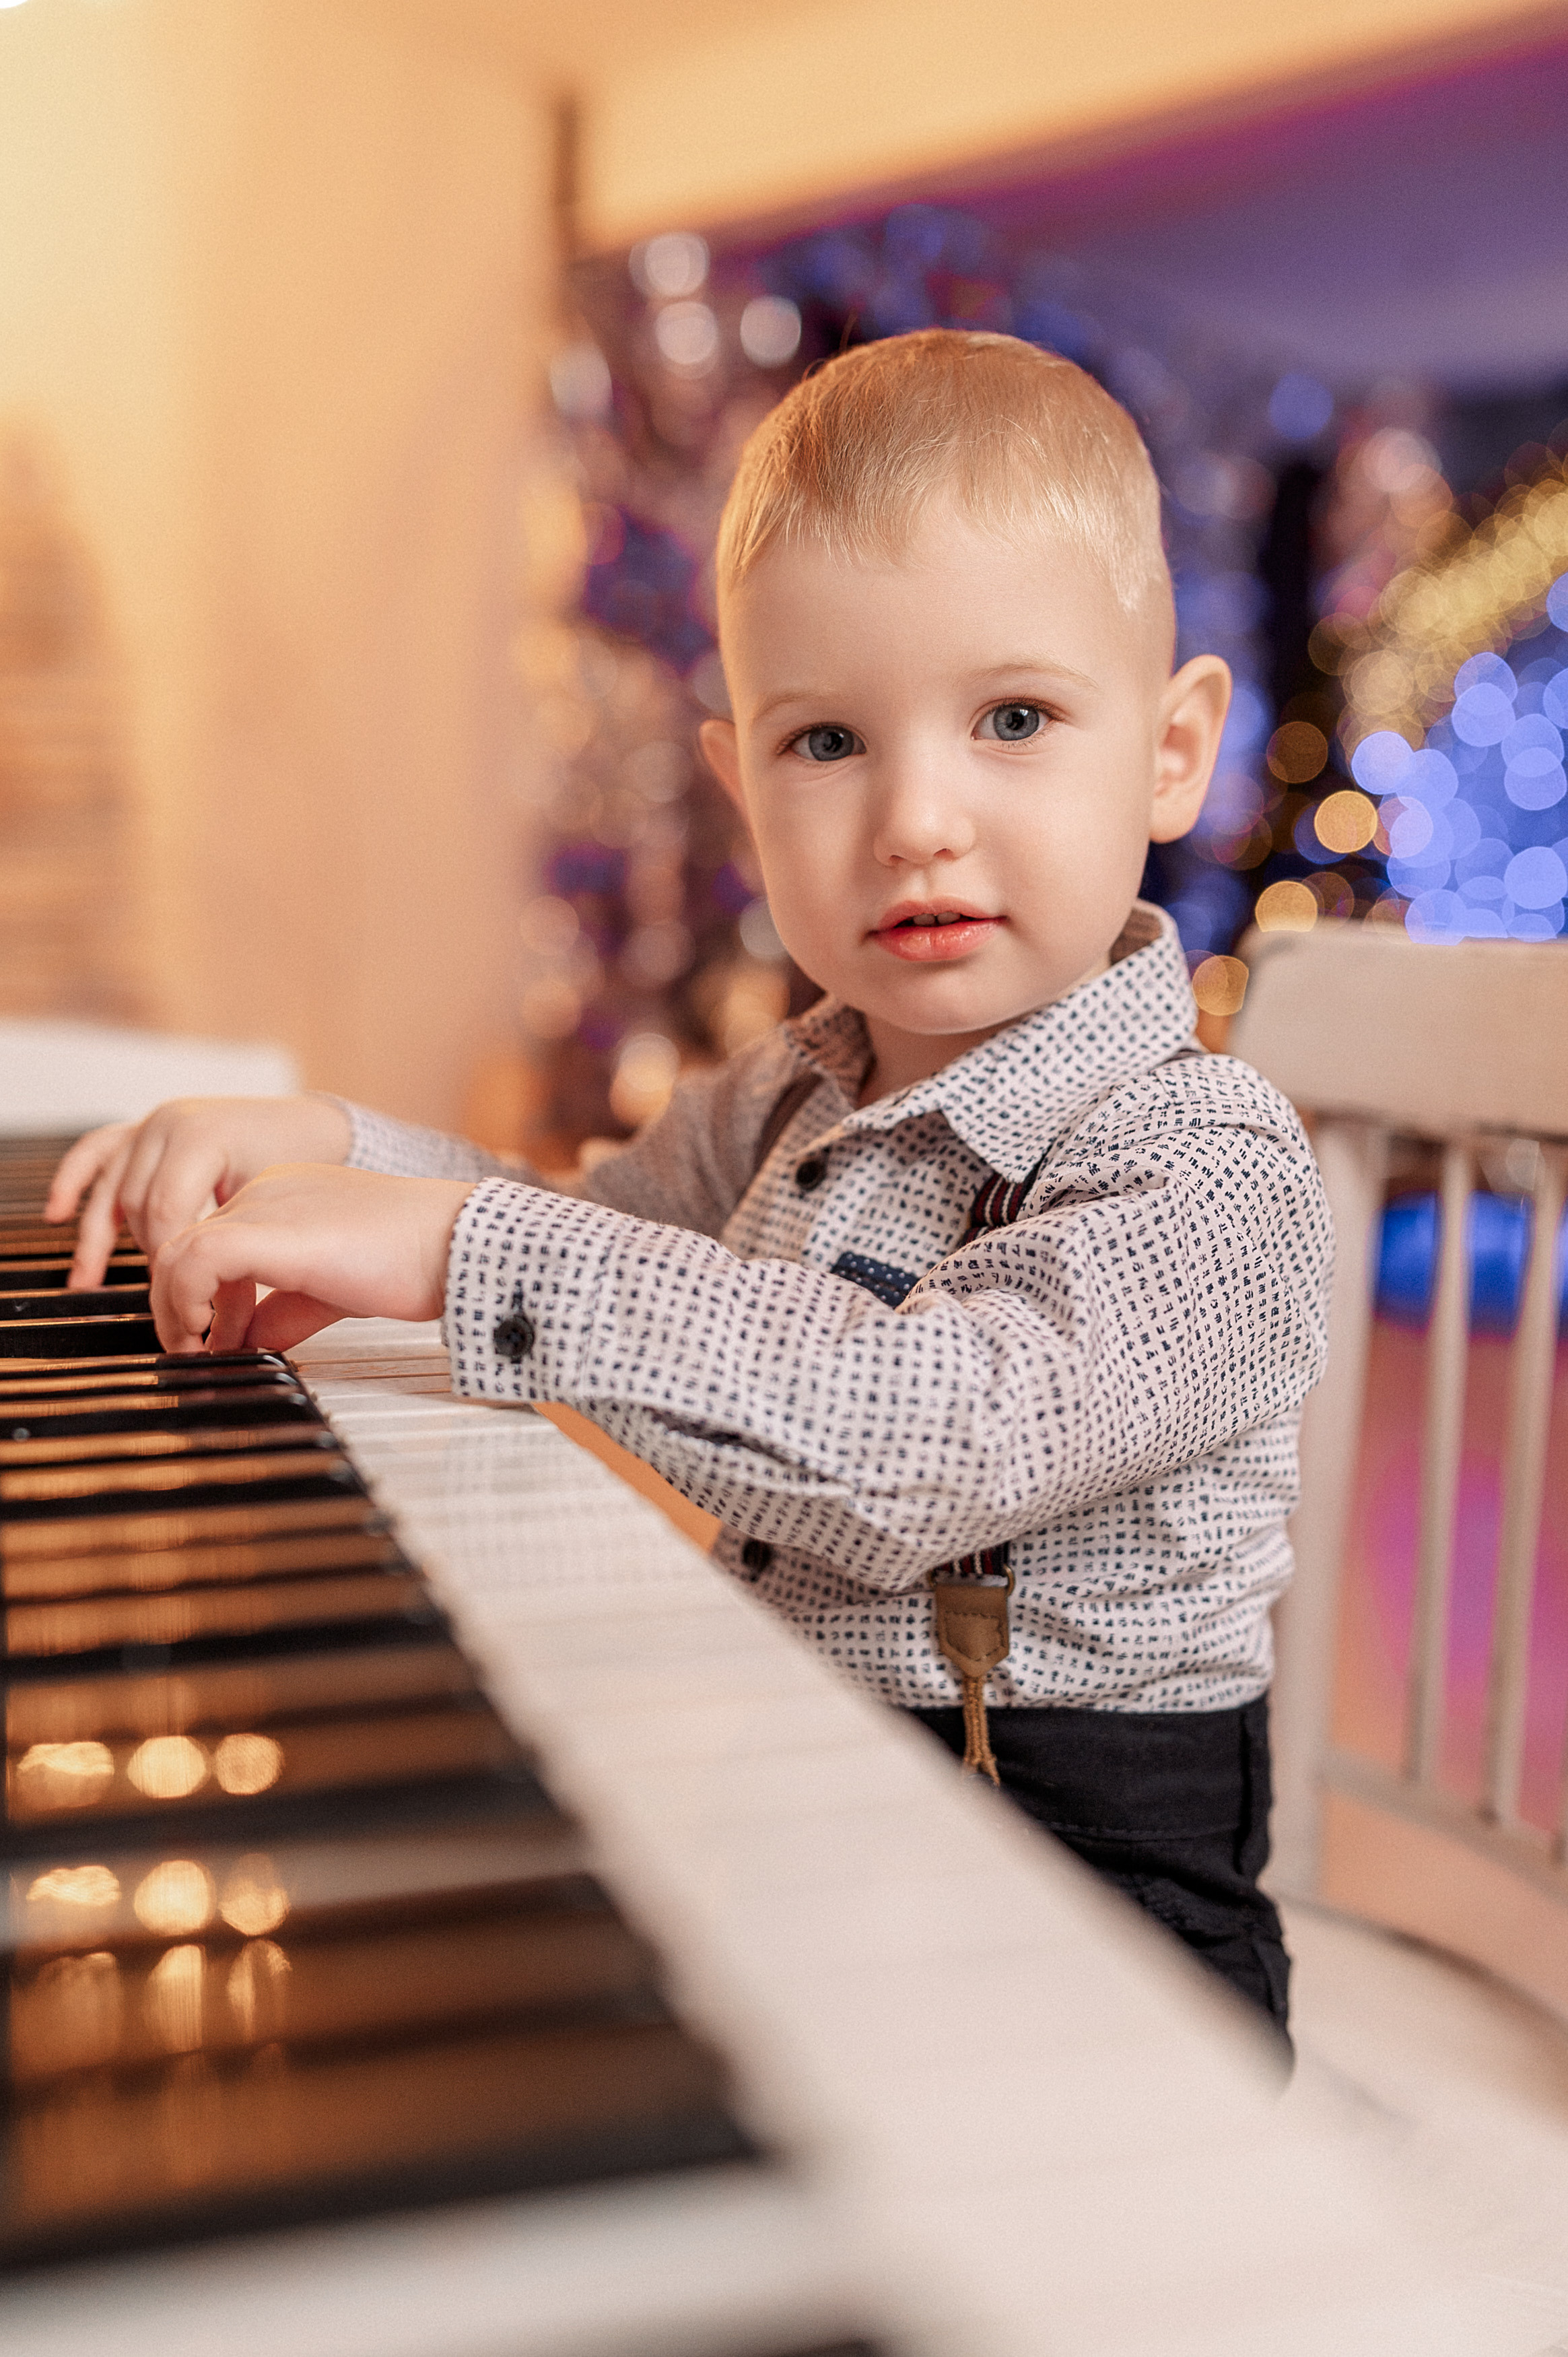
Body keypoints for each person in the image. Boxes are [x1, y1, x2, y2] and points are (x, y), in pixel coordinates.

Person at [48, 330, 1331, 2044]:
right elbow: (592, 1229)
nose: (916, 817)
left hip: (1092, 1930)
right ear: (741, 787)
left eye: (1014, 719)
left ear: (1172, 751)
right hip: (826, 1816)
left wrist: (461, 1242)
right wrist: (342, 1149)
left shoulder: (1211, 1166)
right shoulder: (798, 1085)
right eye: (828, 741)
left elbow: (929, 1441)